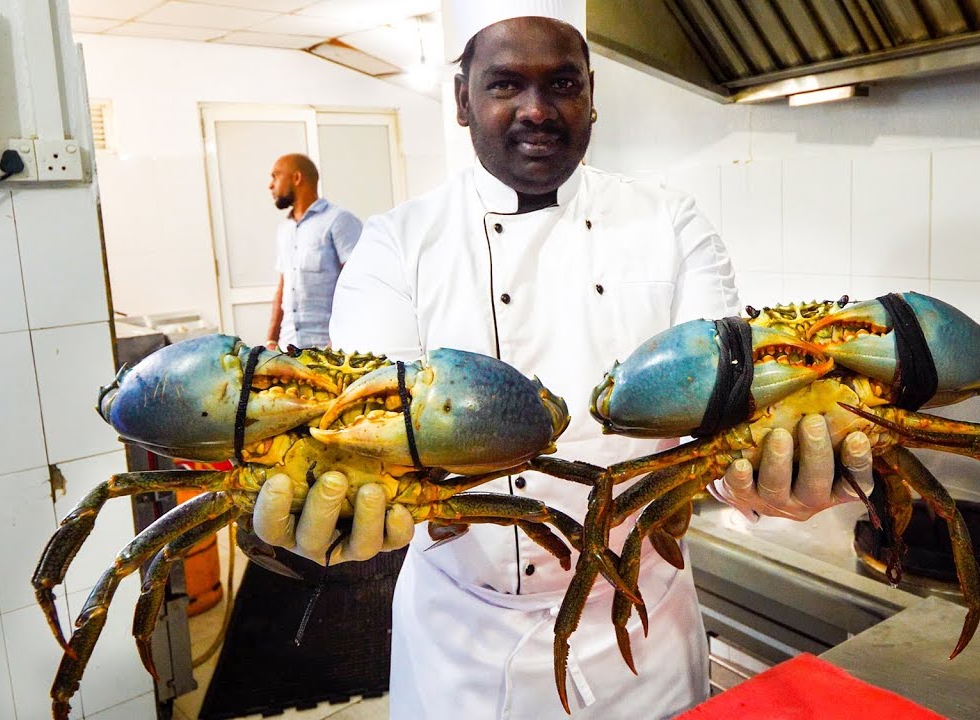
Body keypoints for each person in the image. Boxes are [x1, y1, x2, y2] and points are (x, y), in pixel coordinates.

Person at [251, 3, 874, 717]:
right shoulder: (395, 245)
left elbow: (727, 421)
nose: (536, 110)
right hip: (463, 648)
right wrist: (337, 514)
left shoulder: (670, 224)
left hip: (643, 633)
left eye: (563, 85)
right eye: (505, 85)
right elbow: (372, 438)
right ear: (462, 100)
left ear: (591, 97)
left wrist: (764, 483)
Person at [265, 153, 364, 350]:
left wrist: (340, 339)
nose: (271, 185)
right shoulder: (285, 229)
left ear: (297, 178)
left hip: (328, 349)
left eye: (275, 176)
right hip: (288, 348)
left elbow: (361, 285)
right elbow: (283, 287)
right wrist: (271, 339)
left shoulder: (339, 220)